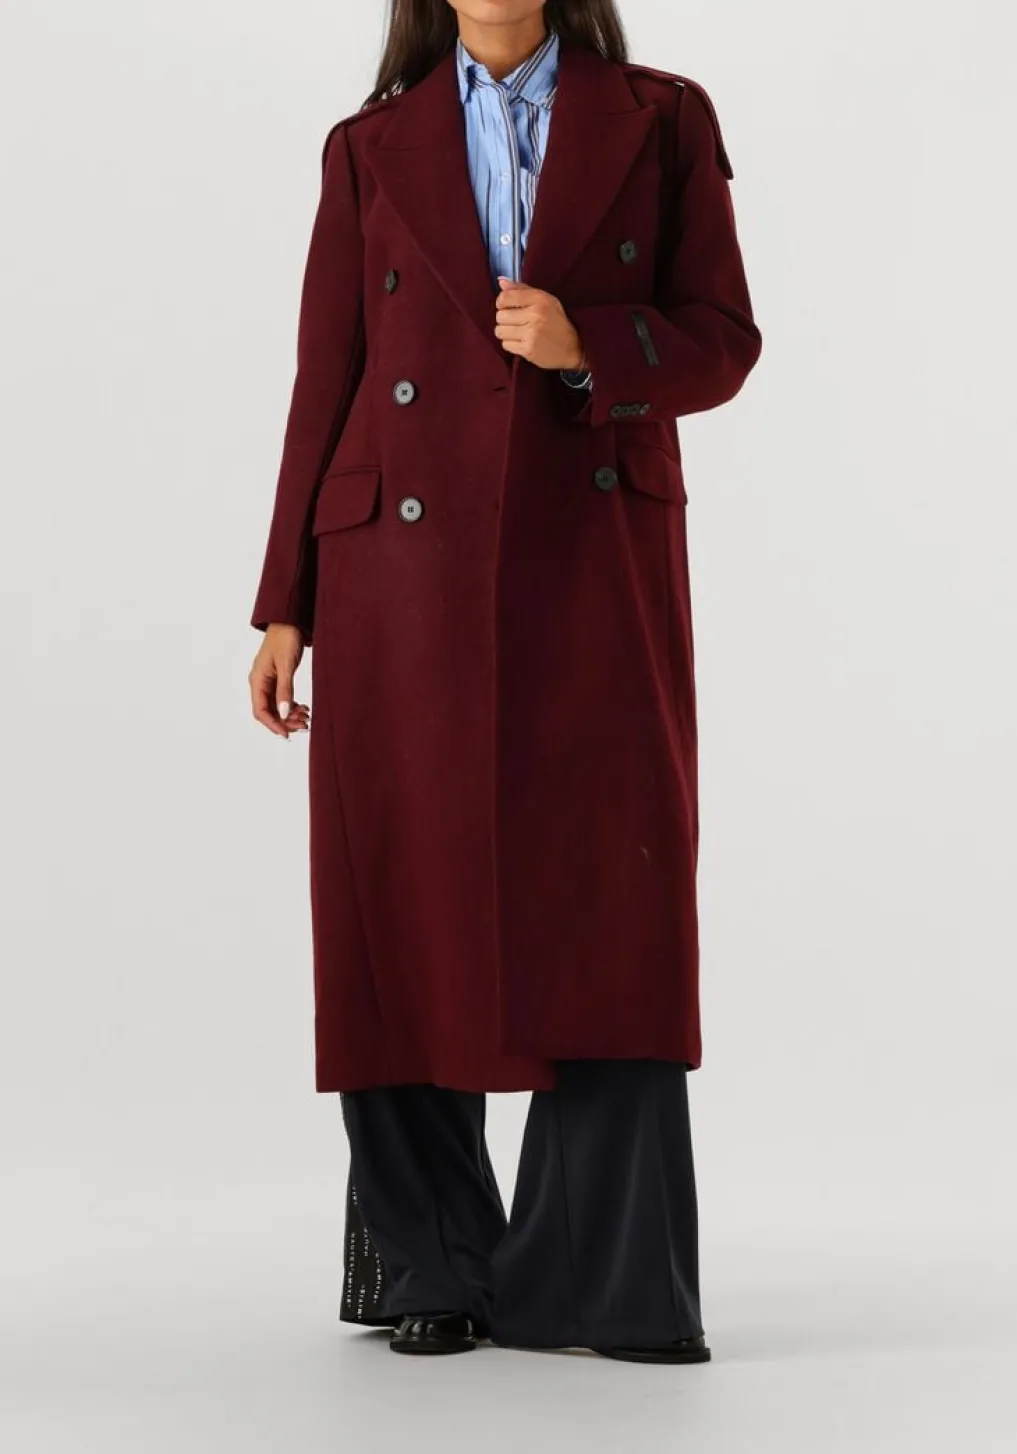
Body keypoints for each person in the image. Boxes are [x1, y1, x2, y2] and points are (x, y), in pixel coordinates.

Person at [248, 0, 761, 1361]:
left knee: (608, 895)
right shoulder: (367, 146)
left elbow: (725, 335)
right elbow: (325, 378)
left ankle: (596, 1273)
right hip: (395, 572)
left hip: (591, 554)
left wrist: (591, 343)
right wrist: (285, 602)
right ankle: (434, 1260)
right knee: (404, 896)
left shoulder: (662, 119)